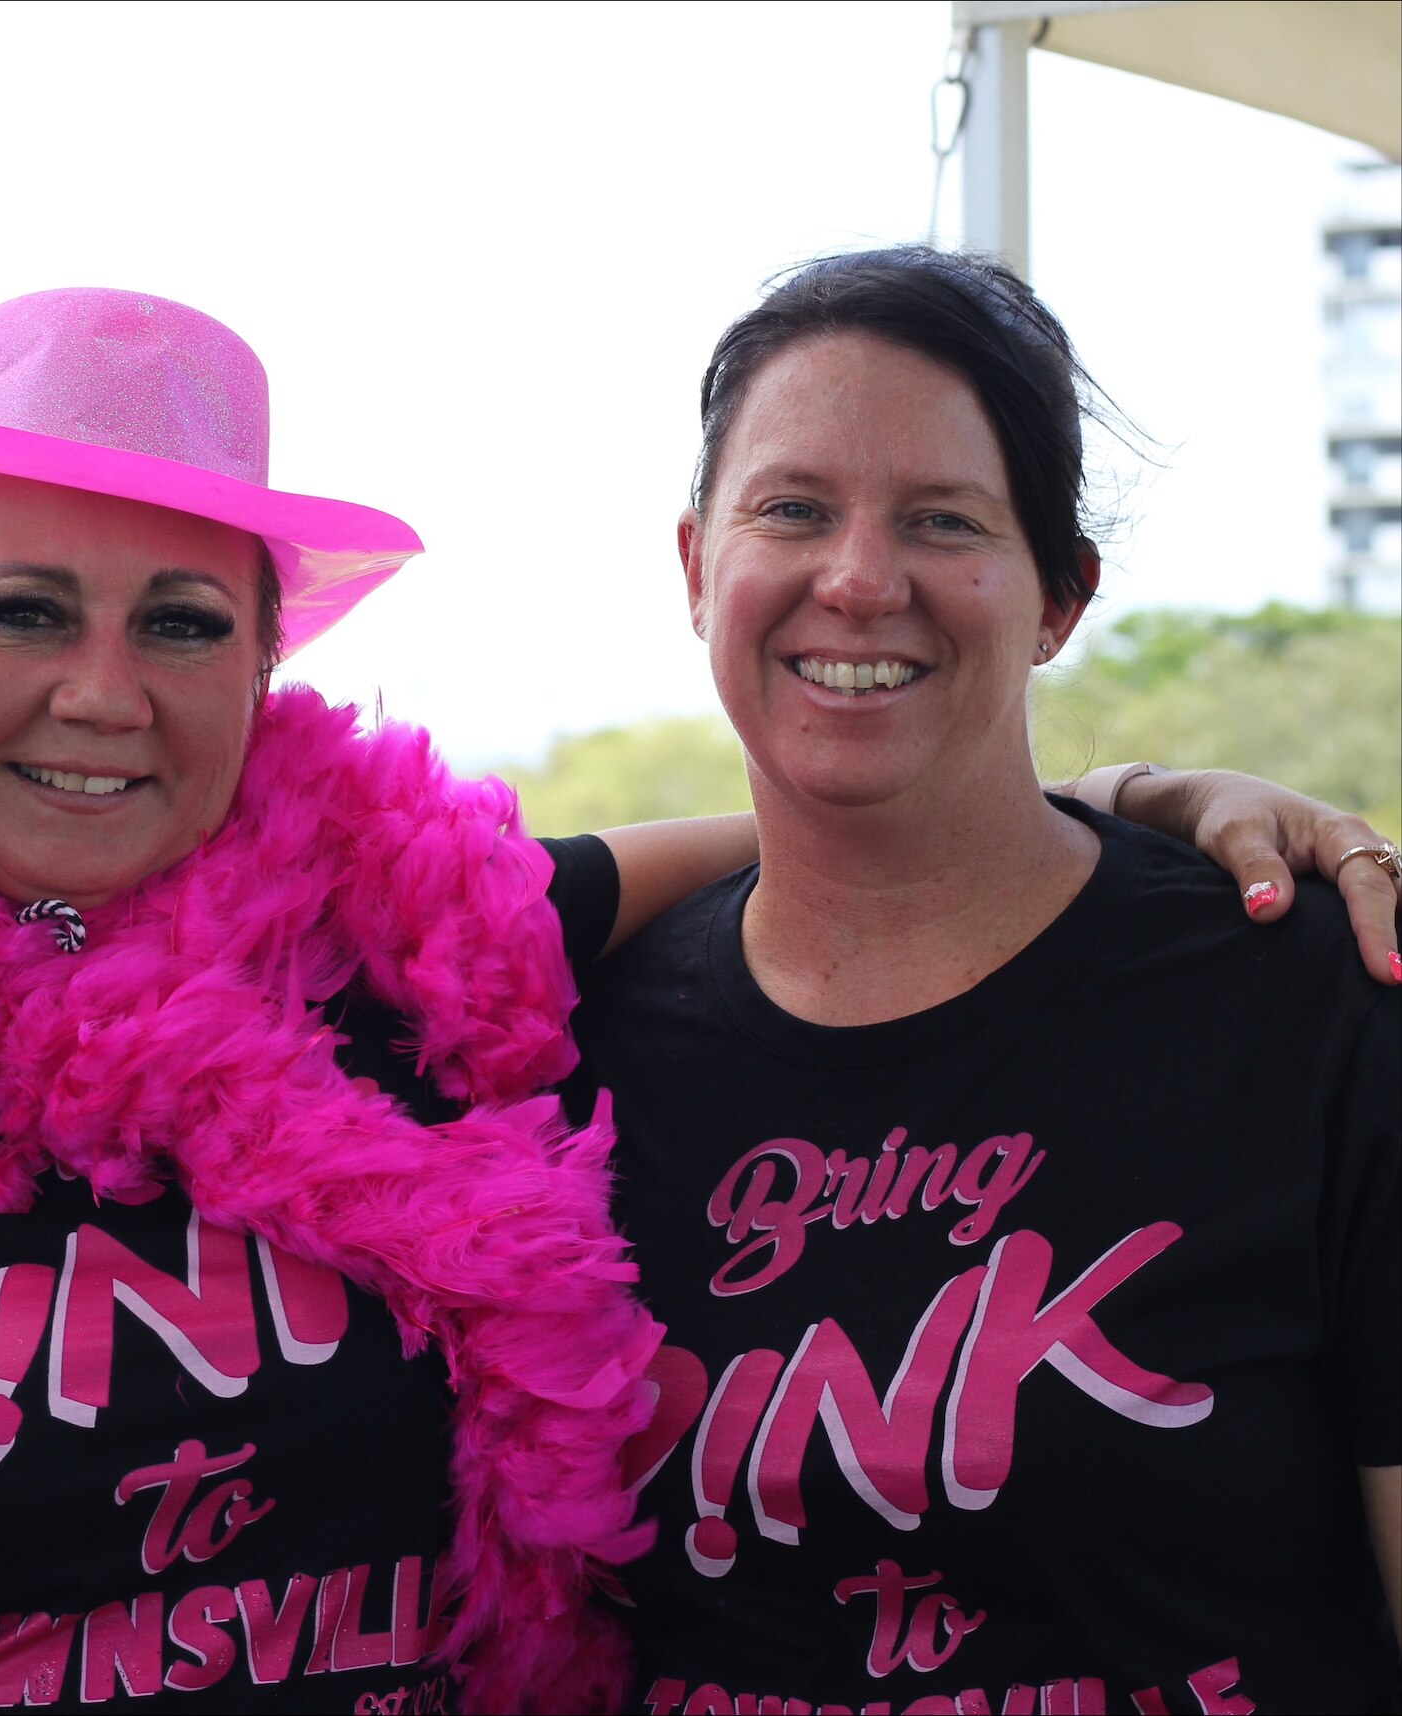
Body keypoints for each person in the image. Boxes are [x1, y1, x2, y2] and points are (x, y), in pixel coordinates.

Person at [0, 286, 1383, 1714]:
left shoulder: (423, 956)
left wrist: (1122, 799)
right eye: (19, 610)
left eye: (178, 624)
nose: (102, 693)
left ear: (259, 665)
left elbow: (837, 826)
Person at [570, 247, 1402, 1712]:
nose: (858, 579)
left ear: (1057, 598)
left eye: (941, 520)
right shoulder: (565, 1050)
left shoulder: (1313, 1004)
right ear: (698, 566)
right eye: (793, 510)